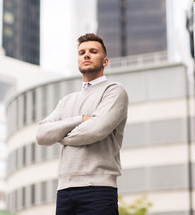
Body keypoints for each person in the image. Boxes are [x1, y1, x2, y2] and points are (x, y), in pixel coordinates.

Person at [36, 33, 128, 215]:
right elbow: (41, 135)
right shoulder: (66, 101)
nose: (86, 55)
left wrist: (61, 137)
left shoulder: (114, 91)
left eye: (93, 51)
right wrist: (80, 119)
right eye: (82, 52)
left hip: (98, 189)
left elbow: (95, 130)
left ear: (105, 61)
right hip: (64, 190)